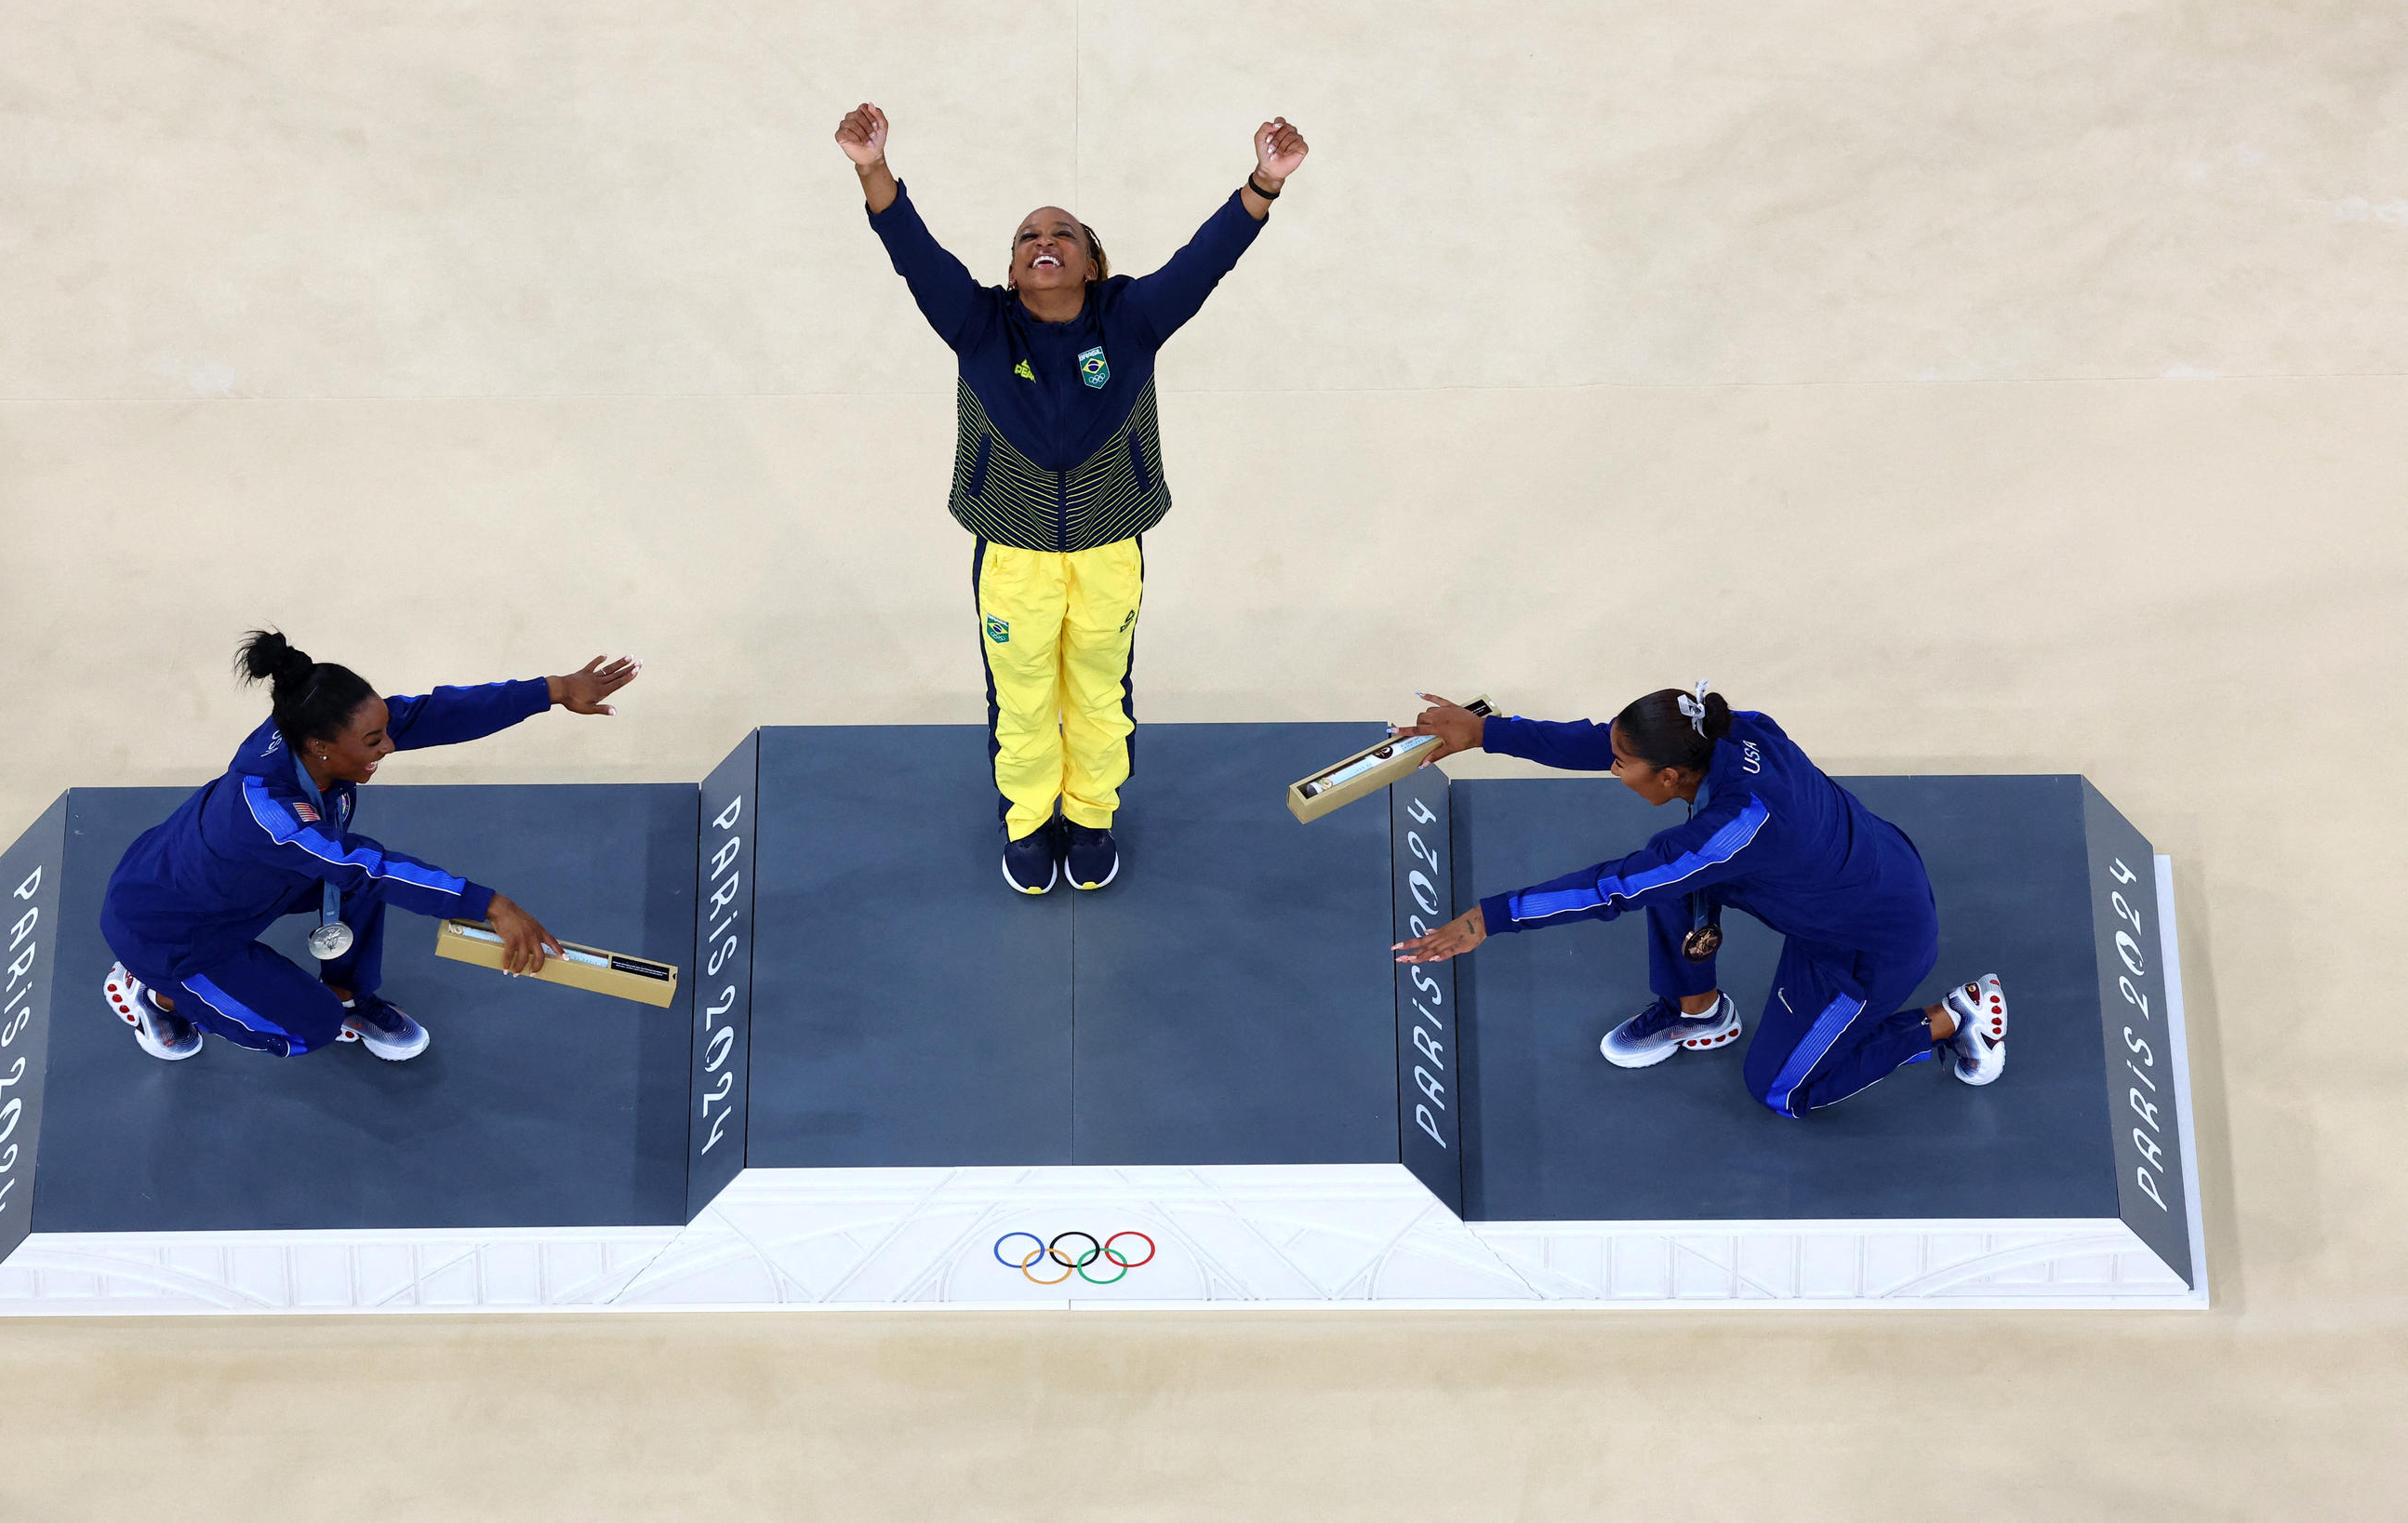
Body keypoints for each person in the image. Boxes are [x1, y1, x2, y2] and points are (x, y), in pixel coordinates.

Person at [835, 101, 1309, 895]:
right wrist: (873, 168)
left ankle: (1090, 816)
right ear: (1013, 267)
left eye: (1062, 234)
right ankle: (1026, 820)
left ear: (1091, 261)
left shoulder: (1131, 320)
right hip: (1014, 553)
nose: (1043, 242)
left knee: (1097, 690)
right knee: (1021, 698)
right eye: (1027, 237)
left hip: (1107, 548)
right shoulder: (978, 324)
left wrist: (1263, 183)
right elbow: (914, 253)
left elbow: (1204, 261)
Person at [1392, 685, 2009, 1117]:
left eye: (1621, 765)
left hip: (1868, 944)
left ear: (1668, 777)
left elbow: (1614, 886)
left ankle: (1955, 1017)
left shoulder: (1734, 827)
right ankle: (1699, 1009)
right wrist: (1486, 732)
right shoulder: (1729, 730)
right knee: (1674, 872)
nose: (1612, 769)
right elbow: (1600, 741)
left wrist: (1487, 919)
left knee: (1782, 1093)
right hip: (1863, 869)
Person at [97, 630, 642, 1064]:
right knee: (308, 1031)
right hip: (171, 932)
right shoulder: (269, 814)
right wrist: (492, 905)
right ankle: (154, 992)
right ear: (320, 747)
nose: (389, 745)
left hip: (233, 885)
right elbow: (366, 867)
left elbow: (431, 713)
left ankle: (350, 995)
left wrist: (553, 690)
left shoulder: (310, 729)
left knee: (353, 892)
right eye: (374, 741)